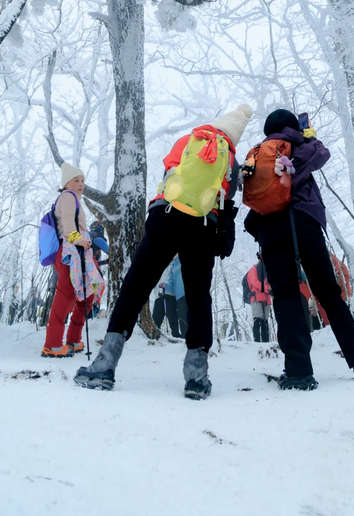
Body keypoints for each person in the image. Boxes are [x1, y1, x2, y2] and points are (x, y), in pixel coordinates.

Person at [74, 104, 252, 398]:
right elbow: (226, 199)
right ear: (234, 137)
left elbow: (169, 170)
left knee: (136, 285)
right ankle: (196, 378)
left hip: (165, 215)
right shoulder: (230, 159)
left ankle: (104, 366)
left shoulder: (189, 140)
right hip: (203, 225)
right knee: (198, 297)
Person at [244, 109, 354, 390]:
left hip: (270, 227)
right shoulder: (300, 146)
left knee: (285, 295)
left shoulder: (260, 153)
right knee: (328, 292)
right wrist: (308, 136)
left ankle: (298, 372)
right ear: (293, 126)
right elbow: (322, 153)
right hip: (303, 221)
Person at [41, 163, 105, 357]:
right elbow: (69, 226)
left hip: (79, 251)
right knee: (66, 293)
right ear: (66, 183)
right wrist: (79, 239)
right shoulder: (68, 197)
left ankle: (73, 340)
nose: (81, 184)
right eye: (76, 180)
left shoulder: (74, 199)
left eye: (82, 180)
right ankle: (52, 345)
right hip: (70, 249)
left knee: (88, 292)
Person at [153, 257, 188, 338]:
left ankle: (176, 335)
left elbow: (173, 280)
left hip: (171, 294)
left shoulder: (174, 264)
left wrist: (167, 287)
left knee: (173, 316)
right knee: (156, 316)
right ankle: (155, 333)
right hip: (159, 294)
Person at [245, 255, 272, 342]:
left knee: (265, 322)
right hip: (257, 297)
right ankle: (257, 342)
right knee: (258, 320)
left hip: (265, 298)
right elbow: (254, 282)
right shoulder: (254, 269)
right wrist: (268, 289)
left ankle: (265, 342)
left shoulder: (267, 269)